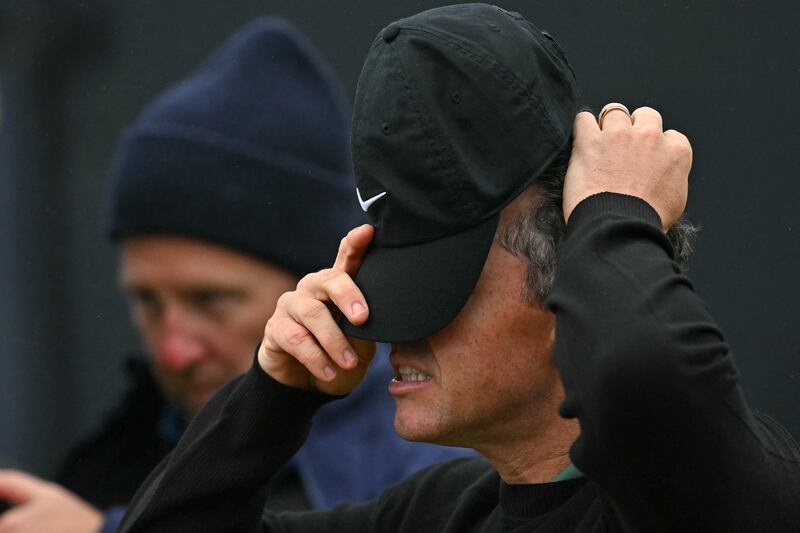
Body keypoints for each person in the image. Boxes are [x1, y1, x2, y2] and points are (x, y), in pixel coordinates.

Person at [114, 4, 799, 532]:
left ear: (569, 274)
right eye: (392, 283)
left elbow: (641, 378)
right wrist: (273, 396)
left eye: (438, 285)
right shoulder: (440, 512)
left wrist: (615, 213)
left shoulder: (702, 485)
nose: (391, 332)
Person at [0, 17, 473, 533]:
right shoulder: (111, 461)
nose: (173, 351)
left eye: (211, 301)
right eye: (146, 301)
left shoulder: (439, 461)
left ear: (325, 284)